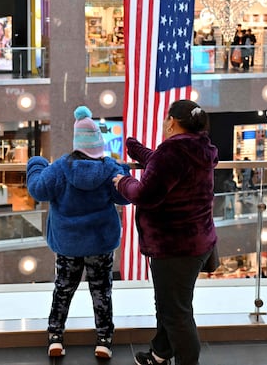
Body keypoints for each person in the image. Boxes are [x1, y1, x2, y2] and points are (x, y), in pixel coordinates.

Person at [113, 100, 218, 365]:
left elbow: (145, 194)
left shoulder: (172, 152)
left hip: (174, 247)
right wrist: (138, 150)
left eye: (165, 119)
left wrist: (122, 181)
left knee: (176, 313)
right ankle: (160, 353)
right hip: (197, 241)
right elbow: (164, 165)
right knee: (171, 305)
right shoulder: (199, 148)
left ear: (171, 121)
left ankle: (186, 360)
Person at [26, 106, 129, 359]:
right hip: (101, 243)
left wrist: (36, 163)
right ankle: (104, 340)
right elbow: (124, 196)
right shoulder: (110, 170)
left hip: (68, 243)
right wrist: (123, 170)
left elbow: (38, 189)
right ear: (98, 144)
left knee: (63, 288)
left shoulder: (60, 168)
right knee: (101, 290)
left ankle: (55, 338)